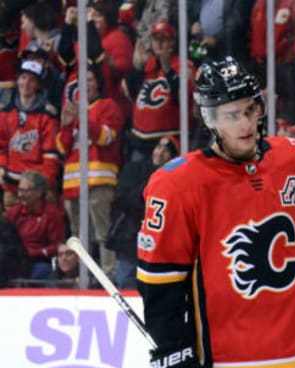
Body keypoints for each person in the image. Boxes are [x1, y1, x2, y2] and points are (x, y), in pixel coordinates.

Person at [137, 56, 295, 368]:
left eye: (249, 110)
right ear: (211, 119)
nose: (244, 123)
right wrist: (172, 353)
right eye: (231, 114)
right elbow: (160, 281)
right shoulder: (177, 184)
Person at [57, 63, 124, 279]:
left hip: (98, 178)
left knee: (102, 233)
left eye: (90, 79)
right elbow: (61, 147)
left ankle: (108, 276)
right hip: (72, 183)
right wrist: (67, 124)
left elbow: (105, 137)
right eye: (81, 80)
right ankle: (82, 276)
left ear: (99, 83)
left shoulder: (108, 106)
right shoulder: (74, 110)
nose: (85, 84)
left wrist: (81, 118)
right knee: (78, 236)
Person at [109, 135, 179, 289]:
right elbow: (122, 200)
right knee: (126, 283)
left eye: (166, 151)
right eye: (159, 147)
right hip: (130, 240)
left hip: (160, 244)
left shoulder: (175, 180)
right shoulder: (134, 169)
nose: (160, 153)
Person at [124, 20, 194, 161]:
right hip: (139, 141)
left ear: (172, 42)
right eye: (156, 39)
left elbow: (183, 97)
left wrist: (167, 69)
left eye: (164, 39)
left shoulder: (183, 64)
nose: (159, 43)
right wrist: (138, 67)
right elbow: (129, 92)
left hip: (169, 141)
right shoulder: (149, 65)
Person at [0, 59, 60, 209]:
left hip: (38, 188)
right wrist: (1, 167)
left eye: (32, 80)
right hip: (12, 186)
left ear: (38, 85)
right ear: (17, 80)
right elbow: (1, 147)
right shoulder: (5, 114)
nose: (26, 83)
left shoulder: (47, 116)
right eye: (23, 77)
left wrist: (44, 185)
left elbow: (50, 156)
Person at [4, 170, 64, 281]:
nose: (20, 194)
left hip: (39, 262)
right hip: (14, 262)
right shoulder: (13, 213)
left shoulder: (51, 213)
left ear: (39, 192)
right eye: (19, 190)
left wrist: (35, 253)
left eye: (25, 191)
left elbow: (57, 245)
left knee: (43, 271)